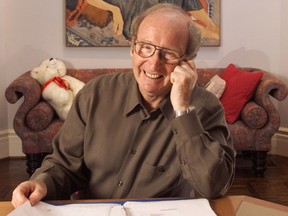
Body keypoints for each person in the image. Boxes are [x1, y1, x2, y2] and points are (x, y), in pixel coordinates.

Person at [12, 3, 235, 208]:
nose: (153, 62)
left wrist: (182, 110)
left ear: (187, 62)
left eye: (169, 53)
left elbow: (212, 187)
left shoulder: (206, 108)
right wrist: (43, 184)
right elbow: (64, 165)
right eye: (145, 47)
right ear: (132, 48)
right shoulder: (95, 94)